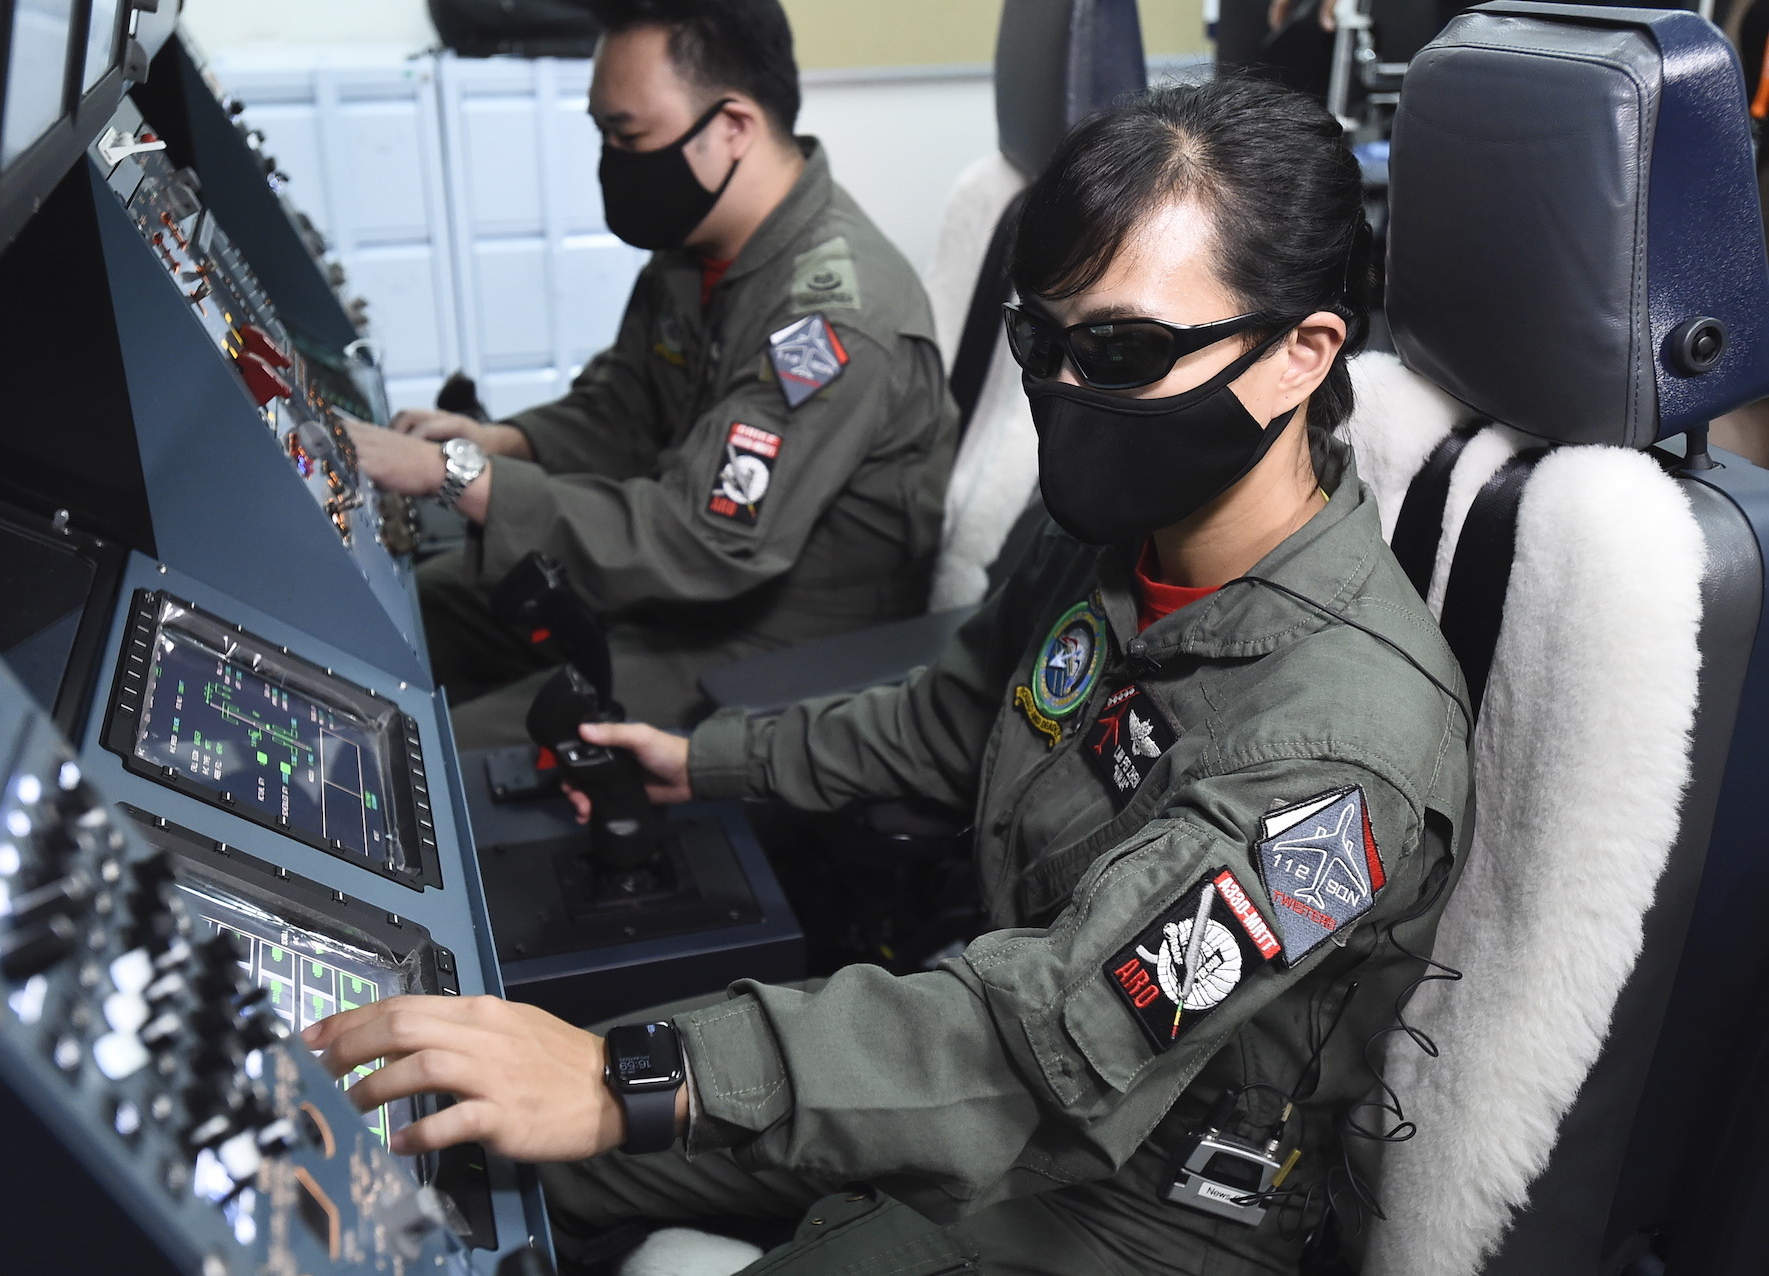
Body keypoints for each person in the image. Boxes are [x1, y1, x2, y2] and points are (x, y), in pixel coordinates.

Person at [305, 78, 1473, 1274]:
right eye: (1042, 343)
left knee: (616, 1086)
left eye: (1123, 351)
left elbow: (1045, 1040)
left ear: (1299, 356)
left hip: (1143, 1205)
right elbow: (952, 716)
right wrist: (700, 761)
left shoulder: (1344, 747)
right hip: (983, 1044)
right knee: (475, 1130)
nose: (1068, 392)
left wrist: (632, 1079)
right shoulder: (1118, 540)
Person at [343, 0, 955, 748]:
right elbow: (626, 405)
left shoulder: (833, 325)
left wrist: (452, 475)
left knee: (423, 758)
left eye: (629, 136)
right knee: (403, 608)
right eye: (602, 132)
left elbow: (706, 537)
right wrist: (498, 442)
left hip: (775, 641)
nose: (612, 158)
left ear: (733, 128)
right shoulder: (698, 246)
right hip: (676, 586)